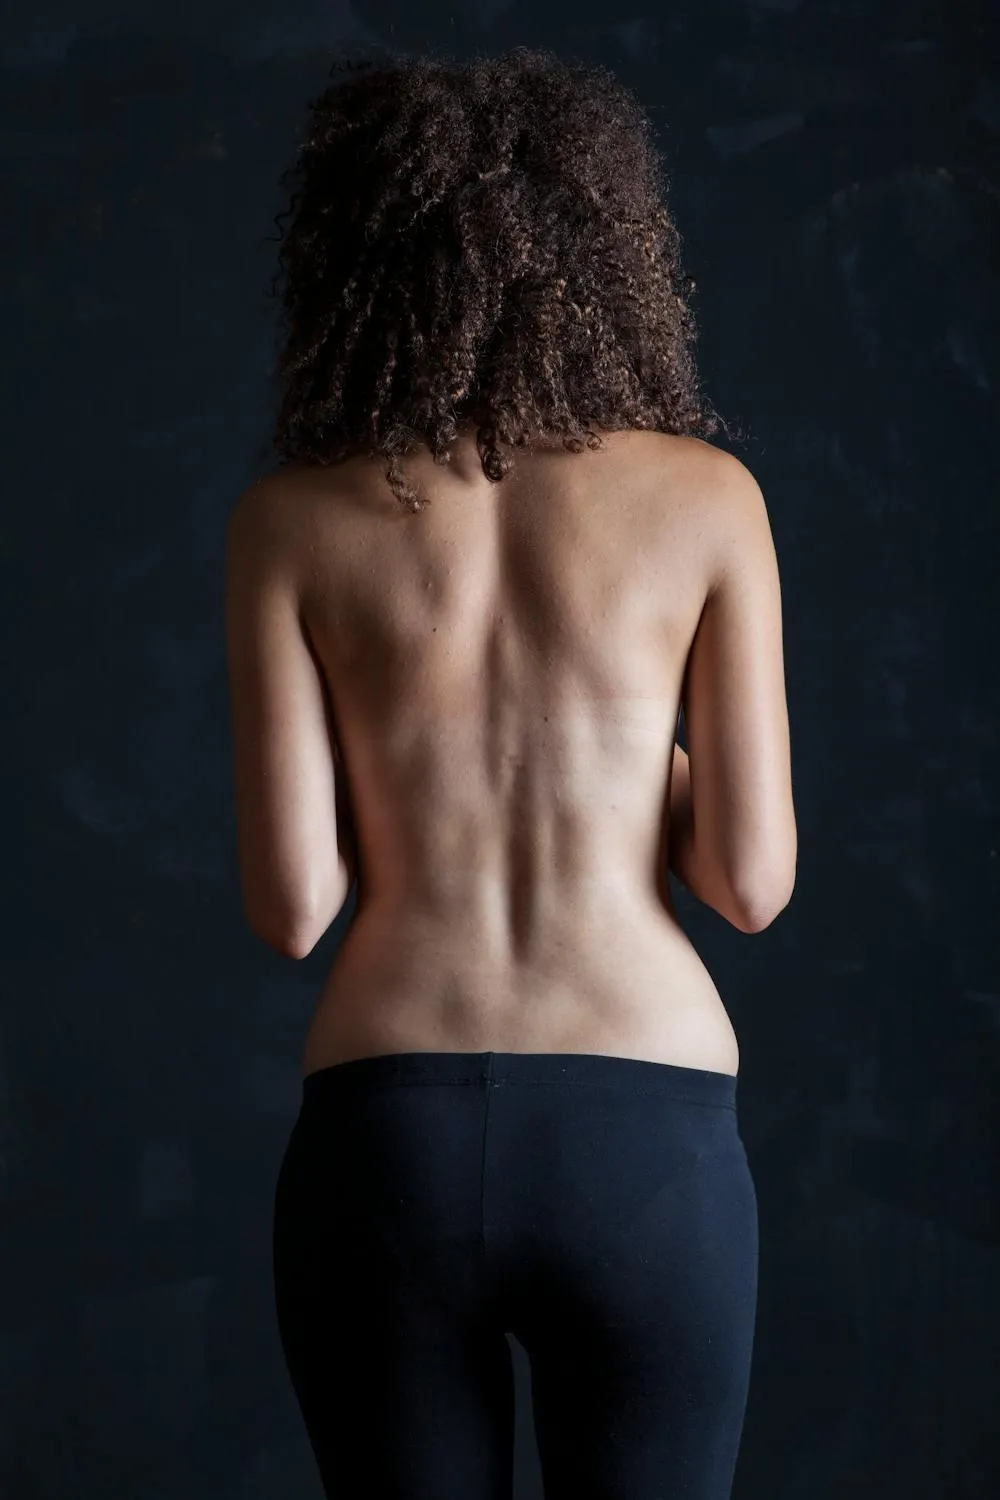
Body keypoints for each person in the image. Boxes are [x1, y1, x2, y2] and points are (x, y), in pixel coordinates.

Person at [225, 44, 796, 1500]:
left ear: (351, 262)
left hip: (388, 1132)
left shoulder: (290, 524)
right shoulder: (708, 500)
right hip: (649, 1136)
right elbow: (748, 881)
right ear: (608, 253)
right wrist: (624, 757)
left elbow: (294, 906)